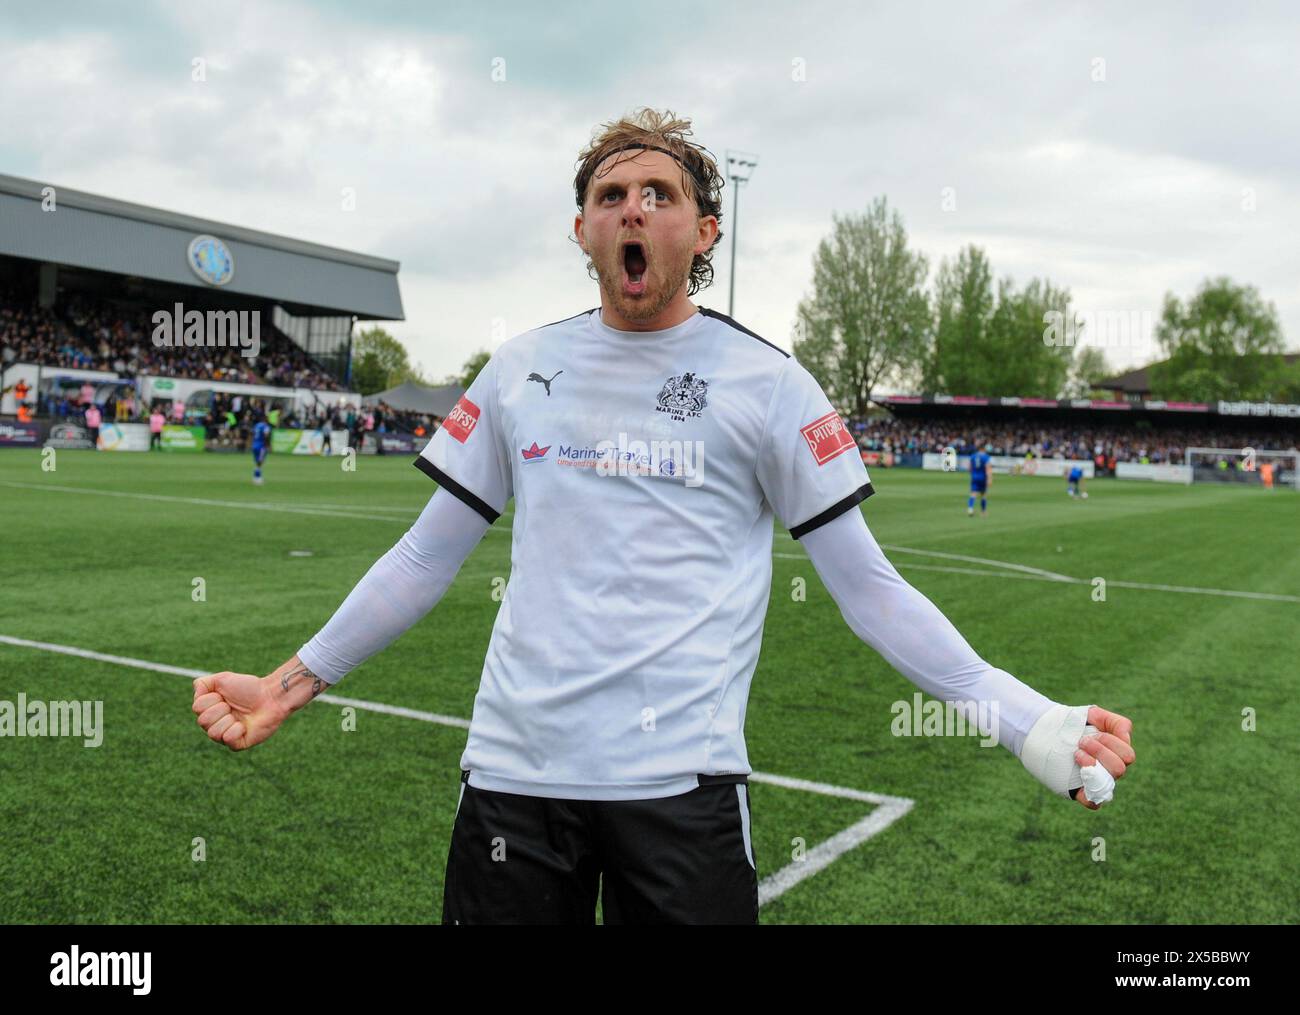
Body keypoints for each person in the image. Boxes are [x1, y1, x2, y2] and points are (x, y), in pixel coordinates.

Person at [192, 107, 1135, 926]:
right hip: (514, 787)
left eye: (657, 192)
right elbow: (423, 558)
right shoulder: (519, 369)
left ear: (704, 229)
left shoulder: (770, 384)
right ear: (581, 229)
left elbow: (870, 590)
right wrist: (288, 683)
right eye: (610, 195)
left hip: (682, 795)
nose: (631, 207)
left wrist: (1025, 720)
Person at [968, 443, 992, 516]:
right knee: (983, 495)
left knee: (973, 494)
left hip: (974, 477)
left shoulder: (973, 456)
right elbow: (988, 468)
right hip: (983, 477)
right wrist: (989, 479)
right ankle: (983, 512)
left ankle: (970, 509)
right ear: (983, 449)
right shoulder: (986, 457)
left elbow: (969, 468)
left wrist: (973, 474)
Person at [251, 411, 272, 485]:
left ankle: (256, 477)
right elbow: (266, 435)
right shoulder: (265, 426)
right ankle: (257, 478)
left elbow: (253, 434)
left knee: (257, 462)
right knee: (260, 463)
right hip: (261, 446)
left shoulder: (257, 425)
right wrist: (268, 445)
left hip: (254, 445)